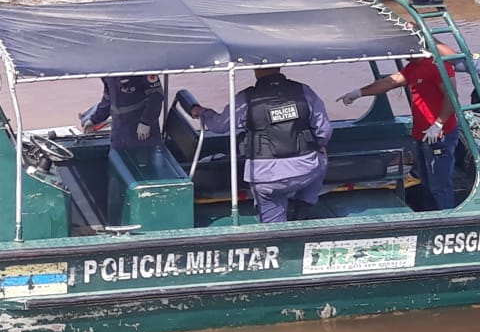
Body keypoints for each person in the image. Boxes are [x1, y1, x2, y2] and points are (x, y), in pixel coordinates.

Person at [191, 67, 332, 223]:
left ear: (255, 71)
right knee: (321, 158)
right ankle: (303, 206)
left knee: (273, 219)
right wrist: (320, 144)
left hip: (267, 177)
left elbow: (219, 125)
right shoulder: (304, 91)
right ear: (279, 67)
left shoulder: (246, 98)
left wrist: (202, 112)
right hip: (307, 170)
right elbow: (324, 130)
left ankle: (278, 233)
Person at [338, 54, 458, 210]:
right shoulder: (412, 68)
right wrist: (358, 93)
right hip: (420, 134)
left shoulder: (437, 66)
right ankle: (430, 214)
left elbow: (452, 95)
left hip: (440, 135)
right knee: (426, 182)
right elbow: (389, 82)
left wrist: (439, 123)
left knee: (439, 185)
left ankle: (446, 218)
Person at [79, 75, 164, 148]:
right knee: (118, 160)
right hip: (119, 131)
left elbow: (156, 95)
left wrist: (146, 122)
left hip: (140, 130)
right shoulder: (106, 69)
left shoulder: (141, 66)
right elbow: (108, 98)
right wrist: (94, 120)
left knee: (142, 161)